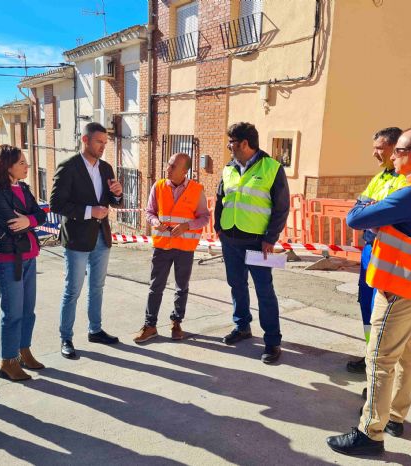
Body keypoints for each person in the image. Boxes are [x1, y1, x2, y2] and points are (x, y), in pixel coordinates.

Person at [327, 124, 411, 456]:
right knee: (405, 356)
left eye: (398, 151)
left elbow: (356, 218)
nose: (392, 158)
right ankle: (396, 416)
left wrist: (364, 204)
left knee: (380, 359)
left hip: (399, 287)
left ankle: (371, 432)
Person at [214, 122, 290, 363]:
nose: (229, 147)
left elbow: (281, 207)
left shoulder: (272, 168)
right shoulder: (229, 168)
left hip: (258, 244)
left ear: (244, 144)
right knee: (236, 285)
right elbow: (220, 199)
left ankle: (272, 341)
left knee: (264, 292)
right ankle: (242, 326)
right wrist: (219, 227)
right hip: (231, 240)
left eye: (231, 143)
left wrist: (270, 238)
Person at [50, 122, 123, 359]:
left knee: (97, 287)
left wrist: (118, 194)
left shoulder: (106, 168)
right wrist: (89, 211)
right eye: (99, 142)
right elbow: (56, 205)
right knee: (73, 290)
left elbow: (113, 200)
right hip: (77, 239)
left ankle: (95, 330)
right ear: (85, 140)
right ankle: (66, 337)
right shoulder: (68, 167)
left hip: (101, 236)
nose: (103, 146)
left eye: (105, 142)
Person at [0, 144, 47, 381]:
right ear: (6, 166)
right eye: (21, 162)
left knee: (28, 311)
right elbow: (13, 224)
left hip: (29, 256)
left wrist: (29, 219)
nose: (26, 166)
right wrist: (31, 220)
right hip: (10, 260)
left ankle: (24, 351)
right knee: (12, 313)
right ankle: (7, 361)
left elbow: (40, 215)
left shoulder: (23, 187)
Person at [347, 127, 406, 374]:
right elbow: (357, 210)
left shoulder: (406, 180)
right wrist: (373, 210)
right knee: (367, 304)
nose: (375, 154)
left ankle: (384, 364)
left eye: (379, 148)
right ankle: (370, 354)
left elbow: (391, 217)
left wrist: (373, 211)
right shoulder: (380, 177)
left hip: (391, 253)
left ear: (395, 149)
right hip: (370, 249)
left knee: (385, 310)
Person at [133, 152, 210, 343]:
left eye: (173, 166)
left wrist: (186, 226)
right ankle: (150, 325)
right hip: (162, 247)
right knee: (155, 286)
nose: (168, 168)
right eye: (168, 164)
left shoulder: (196, 189)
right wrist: (154, 221)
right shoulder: (158, 186)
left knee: (181, 287)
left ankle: (176, 322)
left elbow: (205, 217)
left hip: (184, 247)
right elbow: (149, 211)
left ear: (184, 171)